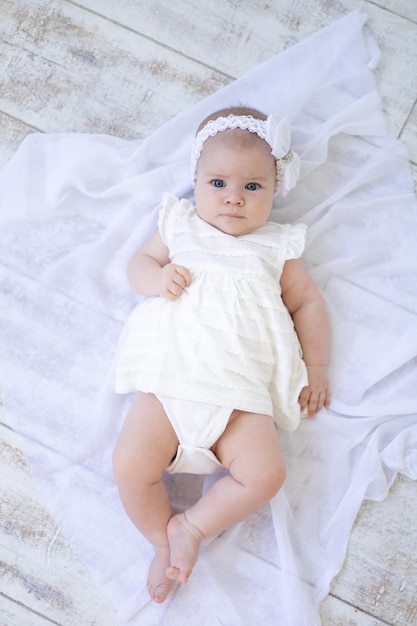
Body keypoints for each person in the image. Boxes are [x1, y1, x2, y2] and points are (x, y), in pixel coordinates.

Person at [112, 106, 331, 604]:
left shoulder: (277, 247)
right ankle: (160, 539)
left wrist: (315, 366)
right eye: (218, 182)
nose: (234, 197)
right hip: (170, 380)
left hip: (238, 395)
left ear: (275, 192)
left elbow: (308, 304)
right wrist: (154, 279)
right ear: (195, 180)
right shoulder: (181, 226)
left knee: (267, 474)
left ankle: (190, 527)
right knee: (129, 465)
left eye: (253, 187)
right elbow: (138, 262)